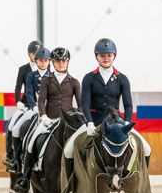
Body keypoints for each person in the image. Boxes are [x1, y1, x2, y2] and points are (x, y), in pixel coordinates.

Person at [64, 38, 151, 166]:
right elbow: (85, 104)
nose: (106, 58)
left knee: (147, 149)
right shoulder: (89, 78)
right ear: (97, 57)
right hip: (94, 121)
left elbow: (128, 105)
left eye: (109, 55)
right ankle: (71, 185)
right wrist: (89, 123)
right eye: (102, 55)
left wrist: (126, 123)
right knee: (68, 151)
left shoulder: (122, 79)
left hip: (117, 122)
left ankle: (141, 183)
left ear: (114, 56)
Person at [14, 47, 81, 193]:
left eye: (63, 61)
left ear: (67, 62)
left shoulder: (74, 82)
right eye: (57, 61)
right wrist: (43, 115)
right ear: (53, 62)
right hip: (48, 120)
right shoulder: (46, 80)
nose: (61, 63)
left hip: (66, 123)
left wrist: (79, 119)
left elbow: (80, 104)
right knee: (31, 141)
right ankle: (25, 178)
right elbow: (41, 100)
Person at [5, 46, 51, 172]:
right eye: (40, 60)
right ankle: (15, 159)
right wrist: (29, 104)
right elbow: (28, 92)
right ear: (35, 60)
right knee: (15, 128)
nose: (43, 63)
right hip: (31, 108)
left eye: (46, 60)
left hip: (49, 111)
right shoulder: (29, 74)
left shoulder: (52, 75)